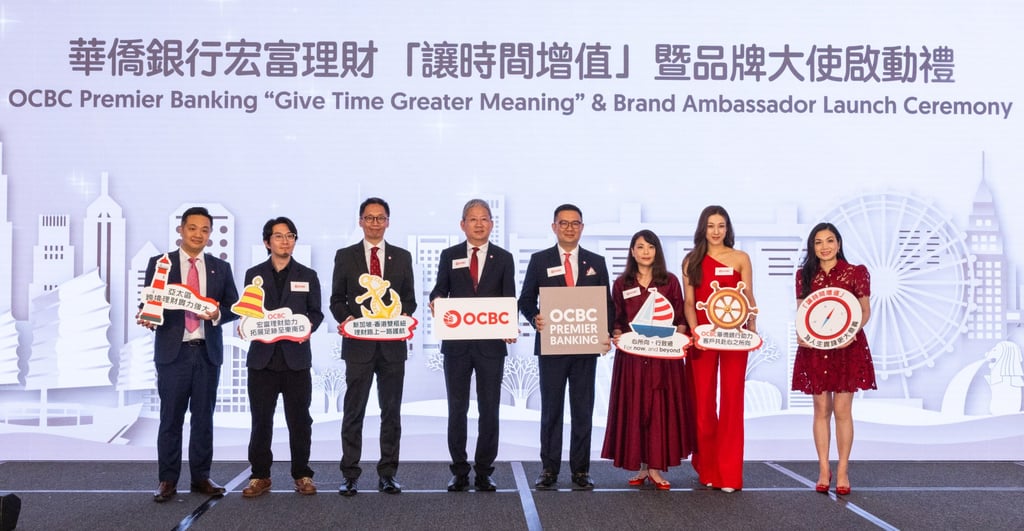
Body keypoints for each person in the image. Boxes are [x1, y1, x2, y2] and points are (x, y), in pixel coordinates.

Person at [138, 206, 239, 503]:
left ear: (210, 235)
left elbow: (233, 306)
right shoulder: (161, 263)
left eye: (205, 230)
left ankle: (201, 477)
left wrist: (216, 313)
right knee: (171, 419)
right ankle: (167, 480)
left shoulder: (220, 268)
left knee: (203, 419)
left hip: (207, 353)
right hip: (174, 353)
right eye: (192, 228)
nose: (198, 234)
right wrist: (146, 315)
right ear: (180, 230)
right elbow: (151, 303)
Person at [518, 203, 613, 490]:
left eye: (575, 223)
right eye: (564, 223)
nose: (569, 228)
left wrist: (606, 332)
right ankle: (549, 470)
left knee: (583, 410)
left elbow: (606, 303)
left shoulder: (597, 261)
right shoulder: (539, 260)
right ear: (554, 227)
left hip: (585, 348)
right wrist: (534, 318)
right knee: (551, 411)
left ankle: (581, 471)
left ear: (582, 227)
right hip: (552, 348)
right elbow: (524, 300)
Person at [330, 197, 417, 496]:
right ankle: (350, 473)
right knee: (353, 411)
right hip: (358, 346)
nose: (375, 223)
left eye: (380, 218)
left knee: (390, 412)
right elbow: (336, 300)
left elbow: (410, 299)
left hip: (392, 347)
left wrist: (402, 314)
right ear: (360, 221)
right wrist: (350, 320)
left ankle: (388, 474)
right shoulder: (345, 256)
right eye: (370, 218)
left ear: (388, 222)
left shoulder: (402, 257)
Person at [429, 199, 517, 492]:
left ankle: (484, 471)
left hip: (492, 346)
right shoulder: (449, 255)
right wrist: (437, 301)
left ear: (492, 224)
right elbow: (440, 289)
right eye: (473, 219)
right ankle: (459, 470)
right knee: (457, 408)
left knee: (490, 409)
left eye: (484, 219)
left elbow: (508, 299)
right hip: (457, 346)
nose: (479, 224)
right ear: (462, 224)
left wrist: (509, 324)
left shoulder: (504, 258)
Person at [239, 217, 324, 497]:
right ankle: (260, 476)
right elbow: (249, 313)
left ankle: (302, 474)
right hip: (262, 360)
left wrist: (304, 327)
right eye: (278, 236)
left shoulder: (308, 275)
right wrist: (244, 326)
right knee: (261, 420)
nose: (285, 241)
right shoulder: (254, 274)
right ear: (267, 242)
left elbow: (316, 313)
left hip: (296, 359)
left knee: (300, 420)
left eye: (290, 236)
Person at [601, 230, 691, 490]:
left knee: (659, 411)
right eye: (640, 247)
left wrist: (671, 343)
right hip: (632, 360)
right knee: (635, 409)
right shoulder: (622, 284)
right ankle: (641, 466)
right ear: (632, 252)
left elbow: (681, 321)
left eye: (650, 247)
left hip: (664, 361)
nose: (645, 252)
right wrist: (618, 334)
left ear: (657, 251)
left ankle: (655, 467)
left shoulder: (670, 281)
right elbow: (616, 321)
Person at [792, 222, 876, 496]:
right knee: (820, 409)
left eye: (830, 241)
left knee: (842, 410)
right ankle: (823, 470)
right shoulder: (804, 275)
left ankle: (842, 471)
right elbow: (802, 313)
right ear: (812, 247)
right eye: (818, 242)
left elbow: (864, 311)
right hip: (815, 348)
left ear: (839, 244)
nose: (824, 247)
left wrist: (851, 331)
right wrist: (801, 335)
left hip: (847, 348)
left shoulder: (856, 273)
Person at [682, 205, 757, 493]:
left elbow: (748, 297)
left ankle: (729, 474)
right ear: (703, 228)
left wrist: (752, 327)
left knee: (731, 404)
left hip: (735, 340)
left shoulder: (741, 258)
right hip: (702, 339)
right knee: (702, 405)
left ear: (728, 229)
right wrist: (695, 331)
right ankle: (708, 466)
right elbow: (690, 303)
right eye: (711, 225)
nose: (716, 231)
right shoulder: (691, 260)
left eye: (721, 225)